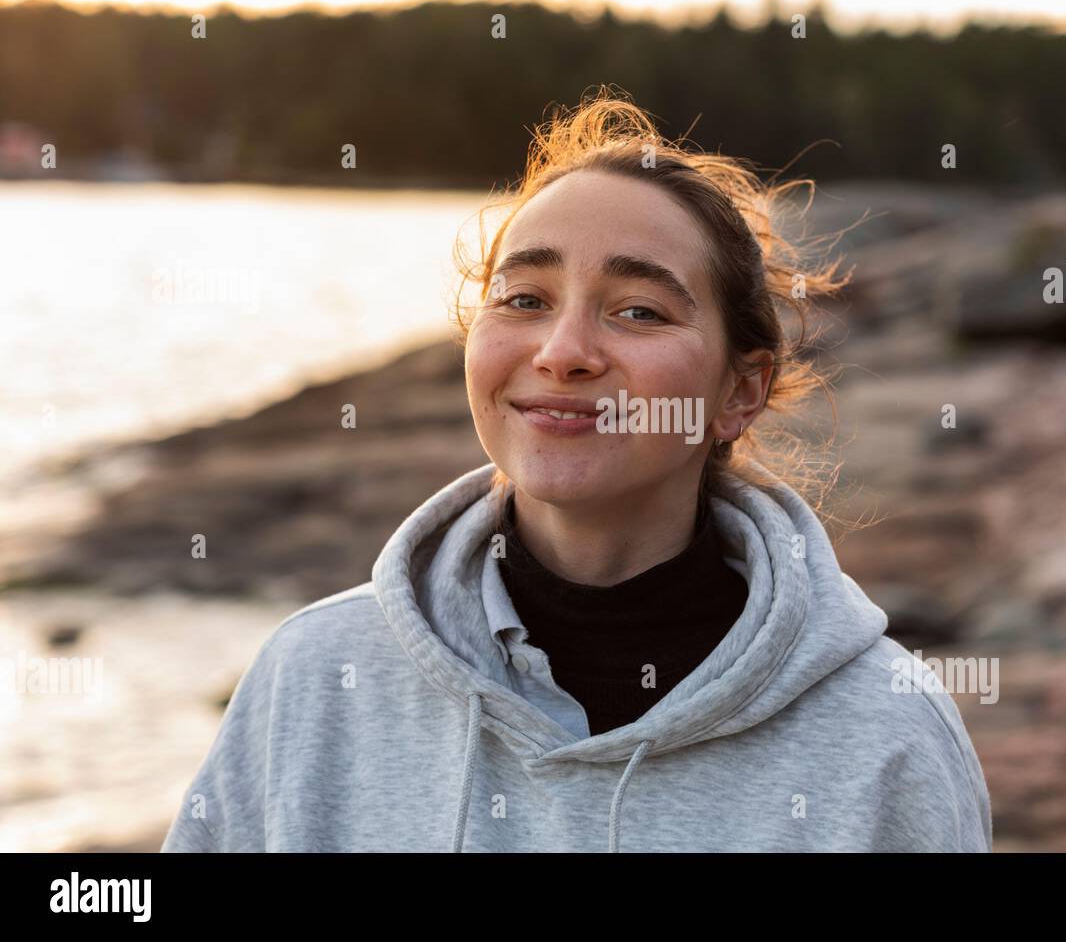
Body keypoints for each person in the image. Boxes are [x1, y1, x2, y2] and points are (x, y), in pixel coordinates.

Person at [161, 88, 992, 853]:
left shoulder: (884, 733)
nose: (563, 354)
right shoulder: (313, 680)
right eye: (524, 299)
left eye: (638, 311)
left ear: (739, 393)